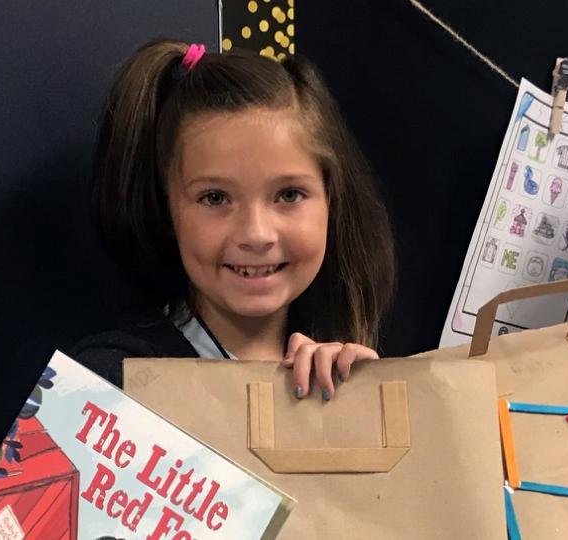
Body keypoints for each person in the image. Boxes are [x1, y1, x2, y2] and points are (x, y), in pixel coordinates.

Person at [68, 40, 398, 402]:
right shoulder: (107, 384)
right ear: (168, 210)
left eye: (289, 195)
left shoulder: (339, 374)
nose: (256, 234)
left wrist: (360, 409)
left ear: (331, 200)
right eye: (215, 198)